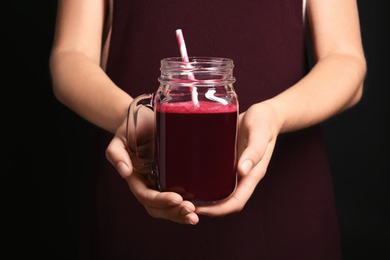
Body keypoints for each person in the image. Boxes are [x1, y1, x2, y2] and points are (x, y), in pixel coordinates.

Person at [49, 0, 366, 259]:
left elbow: (346, 58)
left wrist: (274, 115)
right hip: (135, 190)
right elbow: (70, 56)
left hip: (286, 202)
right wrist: (137, 120)